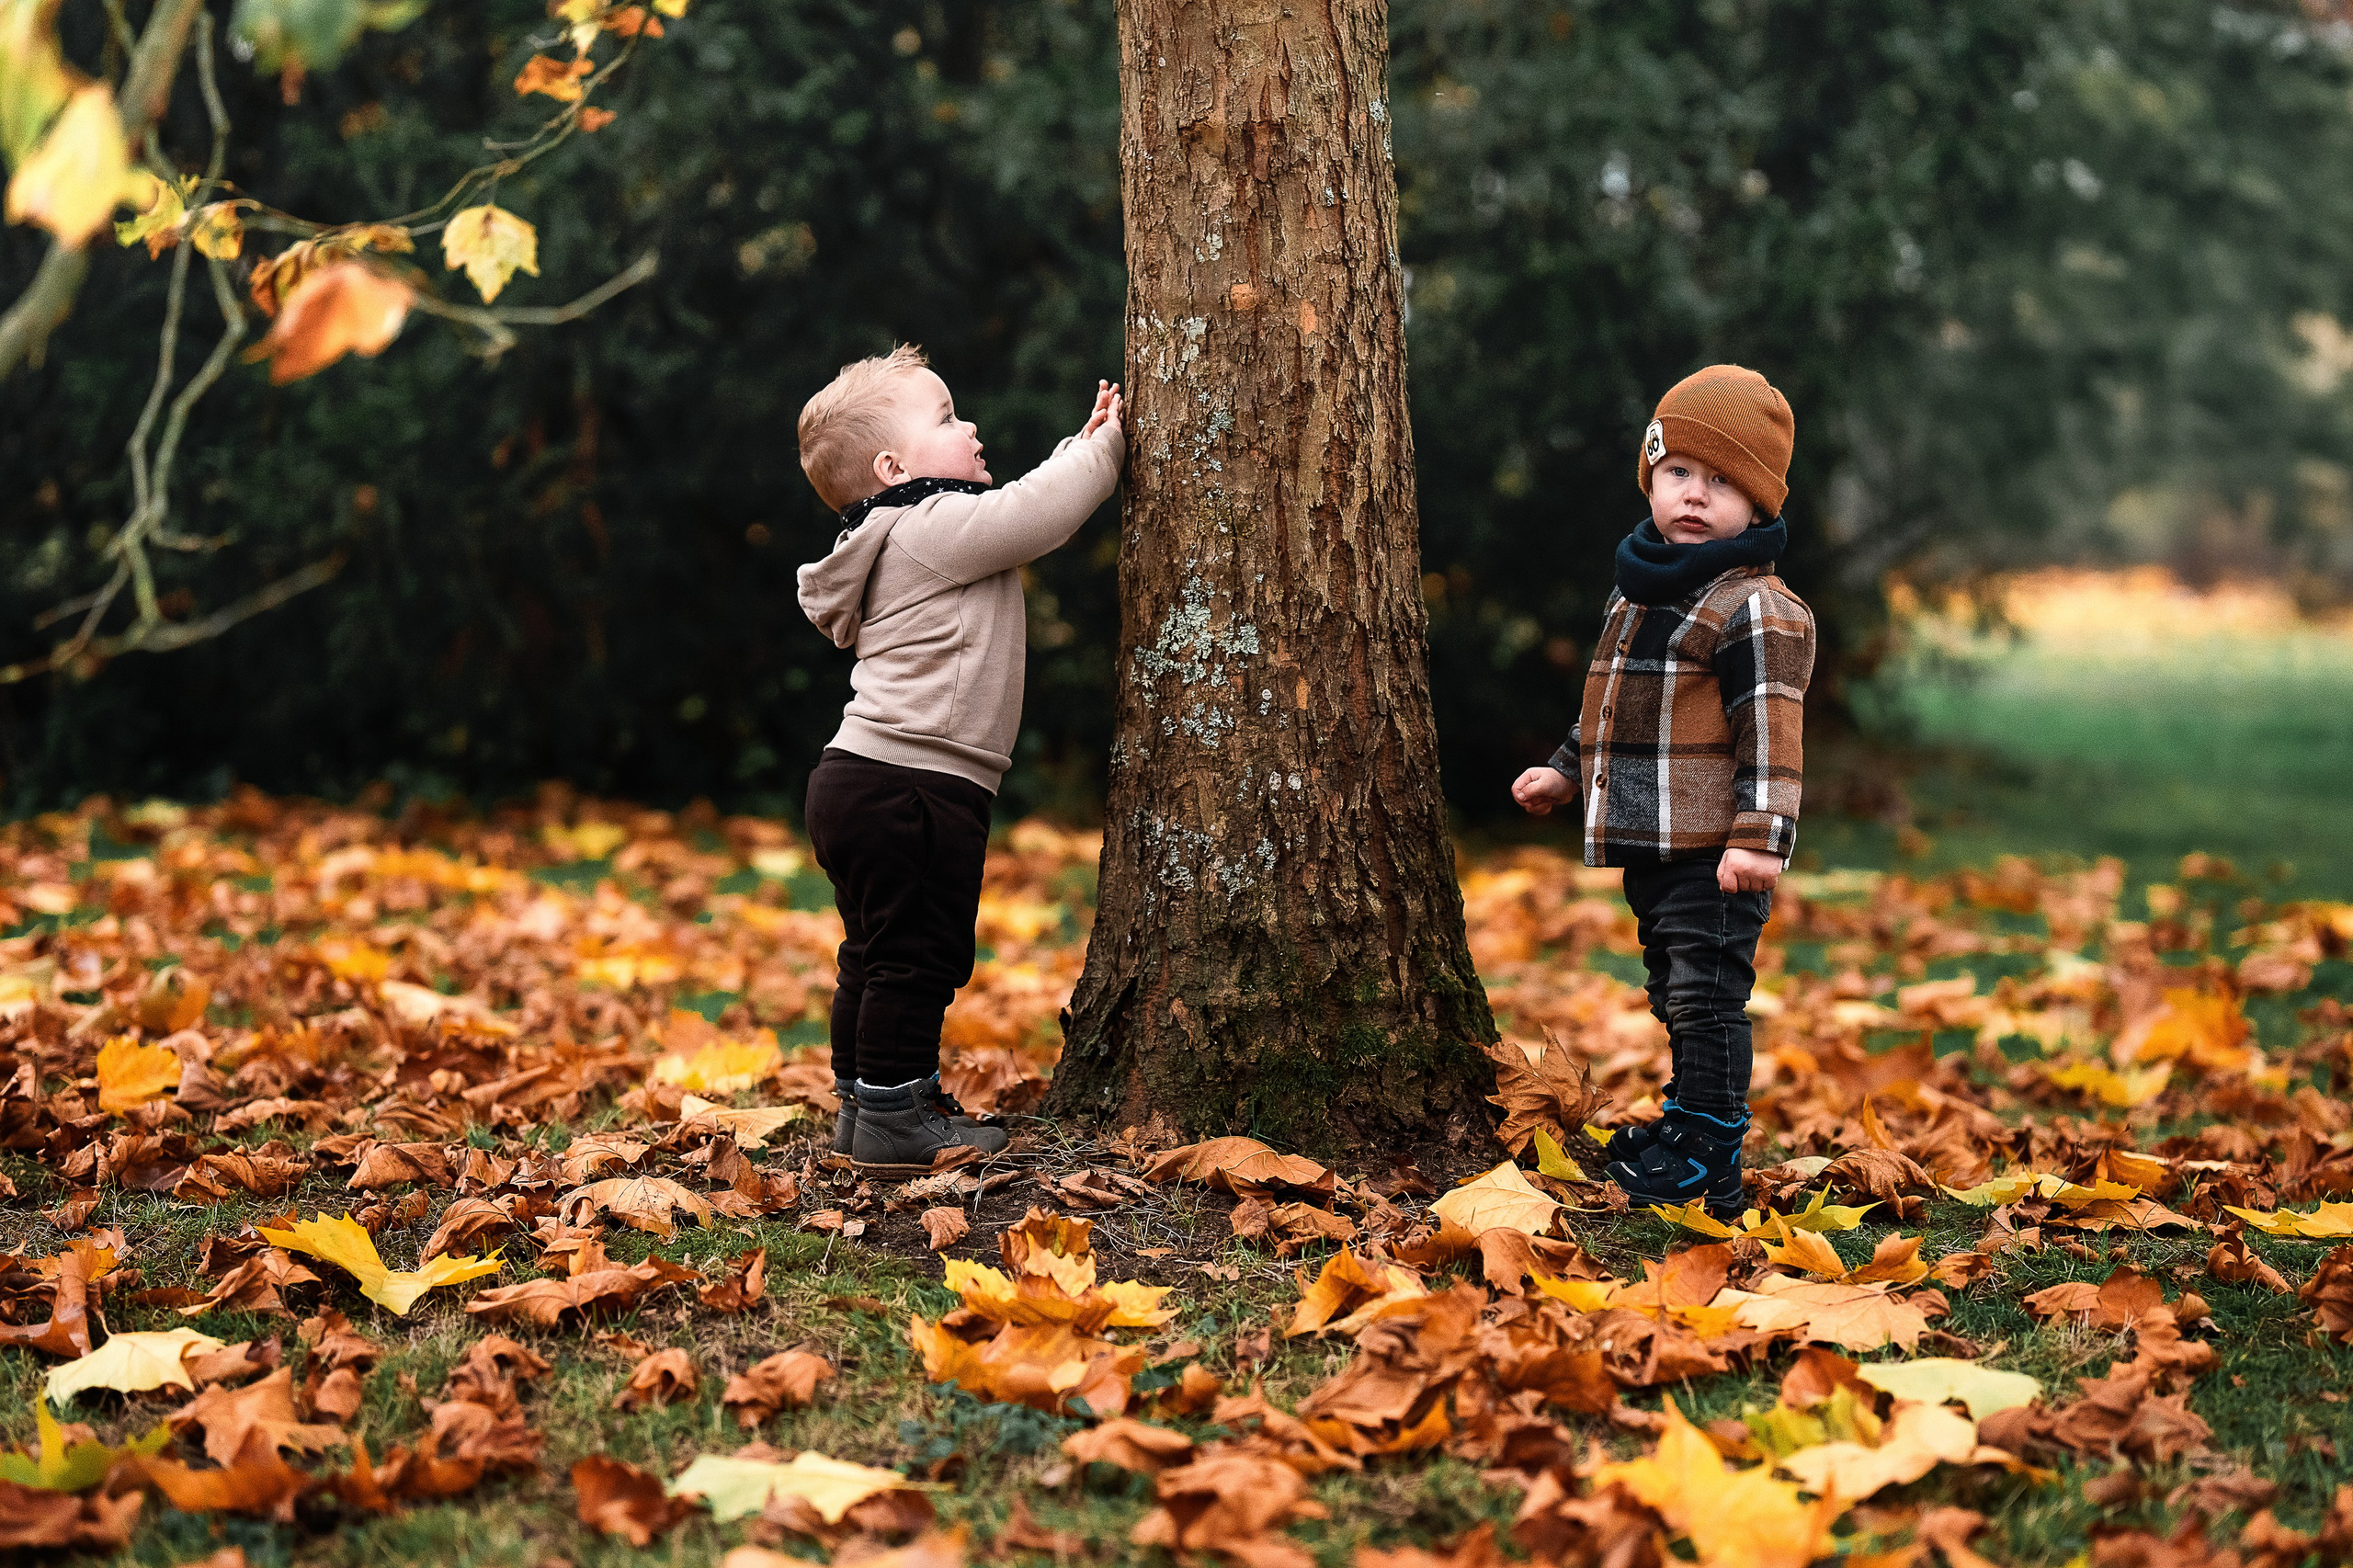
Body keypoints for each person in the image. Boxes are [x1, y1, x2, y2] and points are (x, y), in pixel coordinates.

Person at [794, 345, 1124, 1173]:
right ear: (893, 466)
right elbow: (1036, 515)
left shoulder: (907, 533)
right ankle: (895, 1121)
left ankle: (864, 1105)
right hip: (911, 786)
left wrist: (1069, 453)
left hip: (862, 781)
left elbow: (1018, 505)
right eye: (947, 417)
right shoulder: (928, 528)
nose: (969, 423)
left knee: (874, 953)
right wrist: (1105, 450)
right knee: (917, 954)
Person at [1510, 364, 1815, 1216]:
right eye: (1679, 473)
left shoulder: (1755, 606)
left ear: (1757, 506)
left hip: (1714, 851)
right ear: (1650, 475)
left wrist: (1760, 836)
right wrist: (1567, 769)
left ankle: (1708, 1146)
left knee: (1706, 994)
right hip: (1654, 845)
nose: (1694, 495)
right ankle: (1691, 1128)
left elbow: (1772, 730)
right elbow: (1613, 701)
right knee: (1672, 989)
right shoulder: (1640, 587)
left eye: (1722, 483)